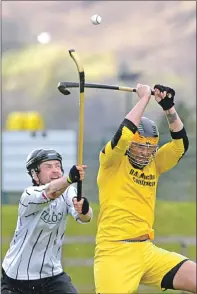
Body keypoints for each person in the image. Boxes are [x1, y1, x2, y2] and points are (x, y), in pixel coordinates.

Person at [94, 84, 196, 293]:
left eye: (150, 148)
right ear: (131, 144)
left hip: (147, 250)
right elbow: (122, 135)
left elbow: (180, 145)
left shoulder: (154, 163)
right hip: (115, 251)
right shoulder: (111, 161)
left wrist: (168, 108)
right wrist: (144, 99)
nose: (144, 153)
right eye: (140, 146)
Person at [2, 148, 93, 294]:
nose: (56, 171)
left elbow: (86, 217)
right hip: (17, 278)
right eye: (48, 167)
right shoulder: (29, 195)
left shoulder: (69, 191)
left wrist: (83, 209)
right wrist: (70, 178)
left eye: (58, 166)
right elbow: (51, 192)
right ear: (34, 174)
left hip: (52, 275)